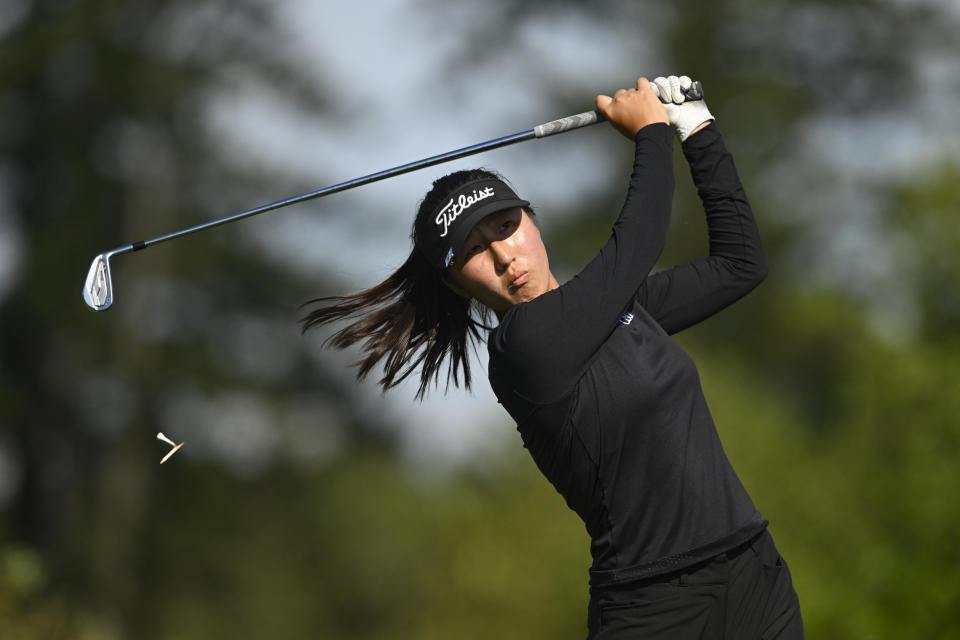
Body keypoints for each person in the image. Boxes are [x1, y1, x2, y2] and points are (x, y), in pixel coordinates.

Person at [301, 75, 804, 639]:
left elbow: (741, 263)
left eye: (506, 226)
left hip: (755, 574)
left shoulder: (624, 307)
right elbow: (637, 243)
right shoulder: (524, 351)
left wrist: (697, 128)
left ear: (532, 221)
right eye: (473, 250)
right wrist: (653, 134)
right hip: (656, 608)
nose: (501, 254)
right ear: (455, 283)